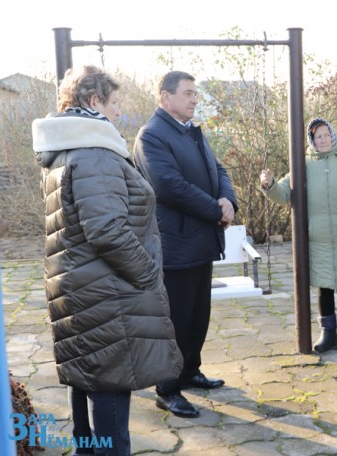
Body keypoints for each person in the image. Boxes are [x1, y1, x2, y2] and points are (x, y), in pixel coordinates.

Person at [32, 65, 183, 455]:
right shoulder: (94, 154)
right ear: (93, 101)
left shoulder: (64, 151)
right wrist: (148, 273)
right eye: (114, 104)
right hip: (107, 295)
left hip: (80, 290)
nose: (119, 114)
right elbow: (108, 231)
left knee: (88, 385)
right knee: (112, 406)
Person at [133, 71, 238, 418]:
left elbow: (218, 169)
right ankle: (167, 387)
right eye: (188, 93)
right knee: (174, 321)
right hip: (175, 245)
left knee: (198, 316)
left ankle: (189, 371)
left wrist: (228, 202)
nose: (195, 99)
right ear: (165, 97)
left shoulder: (192, 132)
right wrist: (215, 210)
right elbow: (169, 186)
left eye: (196, 93)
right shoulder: (152, 135)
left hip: (201, 242)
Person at [259, 118, 337, 355]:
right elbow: (284, 194)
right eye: (318, 136)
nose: (323, 140)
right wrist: (269, 184)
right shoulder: (303, 166)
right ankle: (328, 333)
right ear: (312, 141)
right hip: (317, 240)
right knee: (324, 287)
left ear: (333, 135)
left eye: (326, 134)